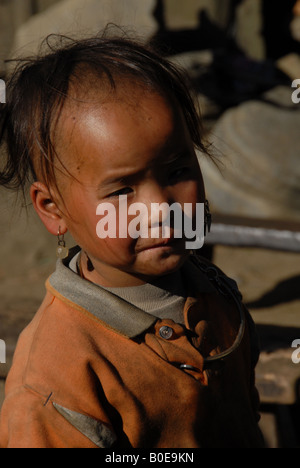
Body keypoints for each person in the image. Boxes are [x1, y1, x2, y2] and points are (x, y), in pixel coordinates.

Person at [0, 33, 264, 448]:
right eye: (122, 190)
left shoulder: (213, 291)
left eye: (177, 171)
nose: (161, 208)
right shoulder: (55, 381)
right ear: (53, 209)